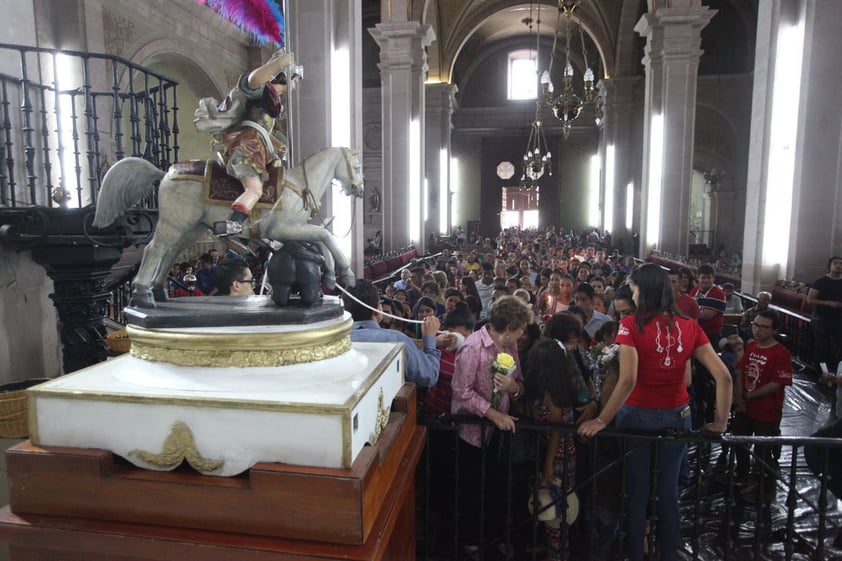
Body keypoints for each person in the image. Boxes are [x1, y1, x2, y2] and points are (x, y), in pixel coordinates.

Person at [579, 263, 732, 561]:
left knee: (637, 495)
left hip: (637, 415)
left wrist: (601, 419)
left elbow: (627, 380)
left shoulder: (631, 324)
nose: (632, 297)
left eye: (634, 290)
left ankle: (636, 553)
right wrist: (720, 422)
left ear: (643, 290)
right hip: (677, 414)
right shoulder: (689, 324)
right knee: (668, 495)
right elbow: (723, 376)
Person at [451, 295, 531, 556]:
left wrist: (514, 388)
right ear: (508, 328)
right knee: (472, 491)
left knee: (499, 489)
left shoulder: (509, 347)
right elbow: (461, 391)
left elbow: (517, 380)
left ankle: (496, 538)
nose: (522, 334)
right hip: (472, 432)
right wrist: (493, 414)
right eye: (520, 329)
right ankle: (471, 544)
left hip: (499, 433)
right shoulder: (474, 348)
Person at [194, 50, 301, 236]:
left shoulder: (272, 101)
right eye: (294, 80)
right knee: (255, 189)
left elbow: (263, 129)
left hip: (260, 144)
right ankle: (230, 225)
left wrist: (277, 144)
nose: (294, 86)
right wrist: (277, 64)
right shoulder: (262, 90)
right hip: (249, 144)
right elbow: (252, 80)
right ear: (284, 77)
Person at [525, 338, 580, 561]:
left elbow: (556, 431)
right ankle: (551, 549)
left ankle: (557, 554)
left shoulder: (553, 393)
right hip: (559, 452)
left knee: (556, 509)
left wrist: (548, 464)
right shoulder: (558, 385)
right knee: (549, 505)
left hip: (558, 456)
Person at [732, 309, 792, 503]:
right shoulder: (751, 346)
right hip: (745, 406)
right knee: (740, 441)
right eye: (755, 325)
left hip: (767, 410)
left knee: (763, 451)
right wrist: (739, 397)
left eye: (763, 327)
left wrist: (748, 396)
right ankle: (741, 475)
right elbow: (741, 370)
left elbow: (776, 384)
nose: (757, 330)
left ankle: (764, 489)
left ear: (774, 330)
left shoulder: (781, 353)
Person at [342, 279, 441, 388]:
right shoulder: (396, 340)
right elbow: (429, 377)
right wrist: (430, 339)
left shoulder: (334, 342)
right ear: (377, 309)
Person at [807, 256, 842, 372]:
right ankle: (821, 373)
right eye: (835, 263)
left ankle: (839, 371)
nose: (838, 265)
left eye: (841, 263)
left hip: (838, 319)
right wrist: (828, 303)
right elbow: (810, 299)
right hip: (821, 319)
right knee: (822, 348)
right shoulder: (821, 281)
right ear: (829, 266)